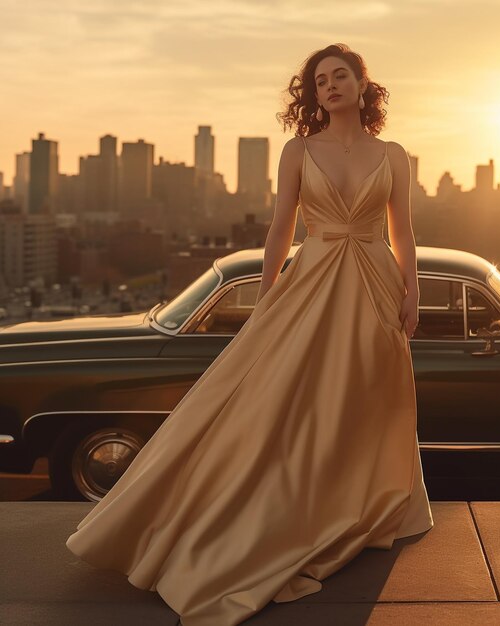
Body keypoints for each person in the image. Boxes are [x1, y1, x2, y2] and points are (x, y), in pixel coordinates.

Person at [65, 42, 434, 626]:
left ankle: (365, 504)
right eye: (320, 82)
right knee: (288, 400)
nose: (330, 87)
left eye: (341, 76)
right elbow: (281, 226)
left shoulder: (393, 154)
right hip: (311, 282)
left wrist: (413, 294)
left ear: (364, 86)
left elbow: (404, 232)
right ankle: (283, 513)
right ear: (313, 95)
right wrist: (266, 299)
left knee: (366, 399)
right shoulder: (298, 150)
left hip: (375, 285)